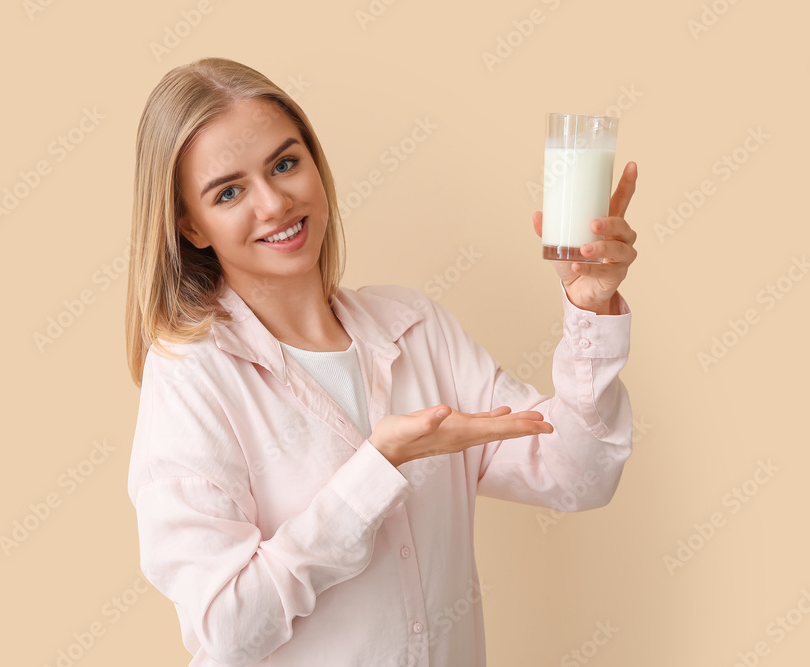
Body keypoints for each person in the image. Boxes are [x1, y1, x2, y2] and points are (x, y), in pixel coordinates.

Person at [124, 56, 638, 667]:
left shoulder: (415, 327)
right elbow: (228, 627)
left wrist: (589, 306)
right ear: (192, 226)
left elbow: (579, 475)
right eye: (229, 191)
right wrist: (376, 468)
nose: (273, 203)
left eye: (285, 163)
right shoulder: (191, 376)